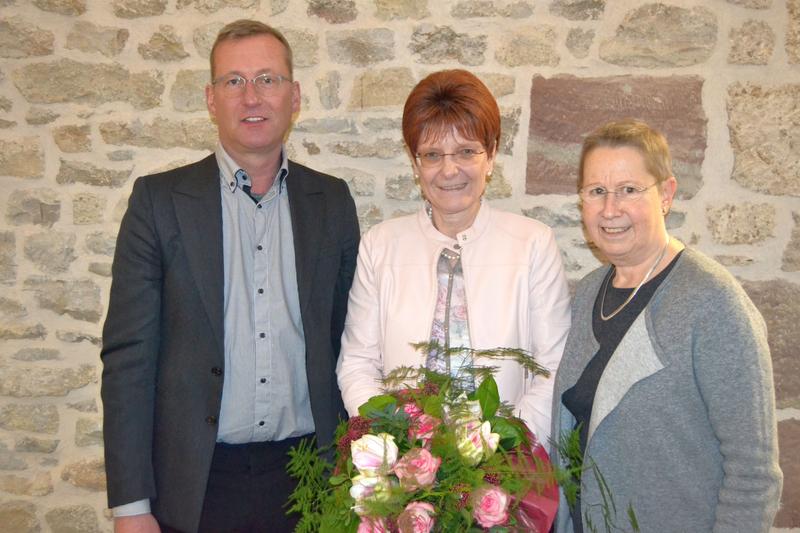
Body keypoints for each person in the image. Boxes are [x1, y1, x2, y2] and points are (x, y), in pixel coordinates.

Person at [101, 19, 360, 533]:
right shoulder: (159, 203)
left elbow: (350, 341)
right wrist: (131, 507)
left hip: (310, 478)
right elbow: (128, 359)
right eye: (233, 81)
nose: (251, 97)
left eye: (268, 78)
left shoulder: (331, 202)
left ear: (295, 96)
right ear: (210, 99)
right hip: (196, 486)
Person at [551, 119, 783, 532]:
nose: (610, 209)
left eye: (629, 190)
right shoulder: (589, 292)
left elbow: (753, 474)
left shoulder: (712, 302)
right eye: (597, 191)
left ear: (666, 195)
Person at [336, 69, 571, 445]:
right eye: (432, 155)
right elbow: (358, 363)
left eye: (466, 151)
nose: (449, 170)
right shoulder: (380, 246)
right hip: (405, 475)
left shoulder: (533, 244)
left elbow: (553, 366)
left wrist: (503, 450)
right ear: (415, 164)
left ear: (491, 155)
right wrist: (396, 446)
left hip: (510, 469)